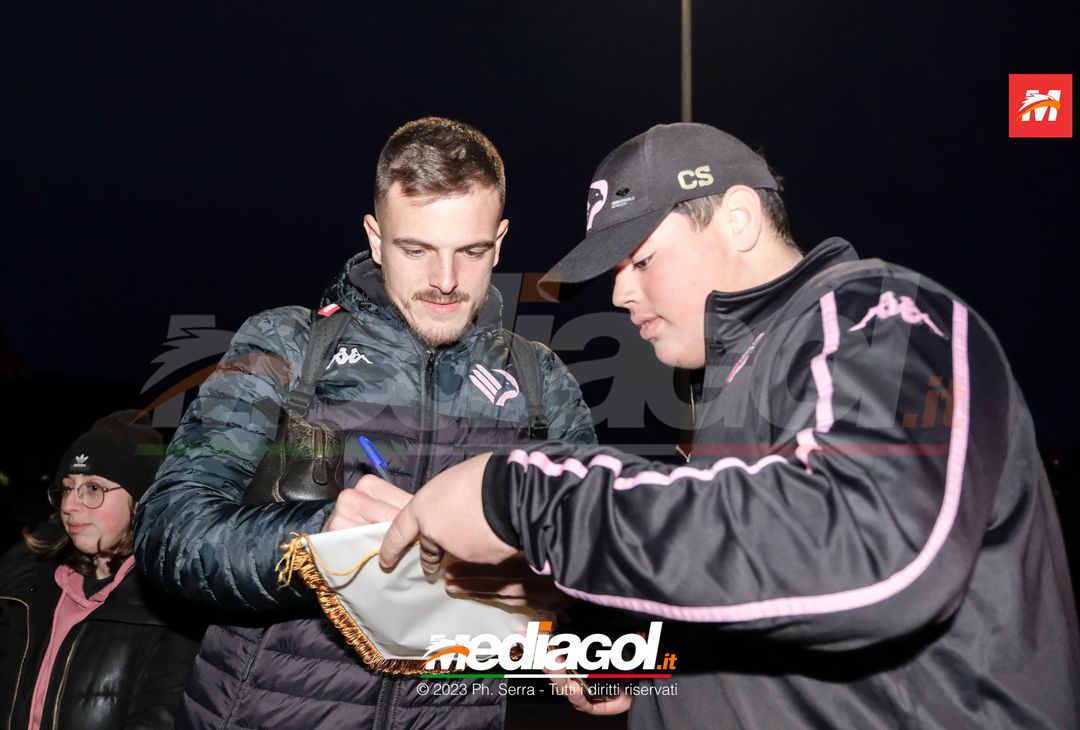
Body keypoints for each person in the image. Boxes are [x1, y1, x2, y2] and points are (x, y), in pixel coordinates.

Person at [378, 122, 1080, 728]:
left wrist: (520, 495)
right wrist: (621, 645)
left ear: (738, 219)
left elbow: (874, 553)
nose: (620, 292)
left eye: (640, 259)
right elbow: (760, 600)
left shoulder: (883, 319)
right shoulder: (737, 390)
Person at [133, 116, 596, 729]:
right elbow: (166, 532)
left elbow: (598, 554)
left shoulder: (543, 382)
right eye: (417, 249)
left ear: (501, 241)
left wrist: (576, 635)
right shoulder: (287, 345)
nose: (446, 281)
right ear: (375, 239)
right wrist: (315, 542)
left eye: (472, 251)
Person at [0, 410, 202, 730]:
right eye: (67, 487)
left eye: (93, 488)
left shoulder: (175, 610)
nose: (69, 505)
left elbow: (160, 718)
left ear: (140, 501)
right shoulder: (30, 587)